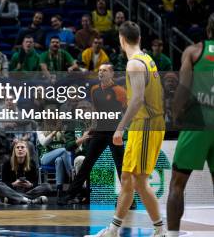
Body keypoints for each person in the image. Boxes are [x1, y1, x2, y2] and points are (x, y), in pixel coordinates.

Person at [86, 21, 166, 237]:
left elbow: (138, 99)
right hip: (148, 123)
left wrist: (119, 128)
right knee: (128, 178)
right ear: (139, 38)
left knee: (138, 180)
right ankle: (113, 230)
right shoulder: (147, 59)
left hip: (147, 124)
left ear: (121, 40)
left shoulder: (134, 64)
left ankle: (160, 230)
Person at [166, 14, 214, 237]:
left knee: (177, 183)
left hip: (198, 121)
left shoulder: (195, 51)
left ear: (208, 30)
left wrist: (175, 114)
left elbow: (183, 89)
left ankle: (174, 235)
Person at [59, 63, 126, 205]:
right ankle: (70, 194)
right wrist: (91, 128)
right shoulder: (94, 90)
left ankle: (128, 200)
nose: (101, 72)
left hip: (114, 132)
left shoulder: (119, 90)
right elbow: (96, 111)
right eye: (100, 70)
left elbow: (126, 113)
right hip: (99, 131)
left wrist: (120, 130)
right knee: (87, 163)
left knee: (121, 166)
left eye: (105, 70)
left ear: (112, 74)